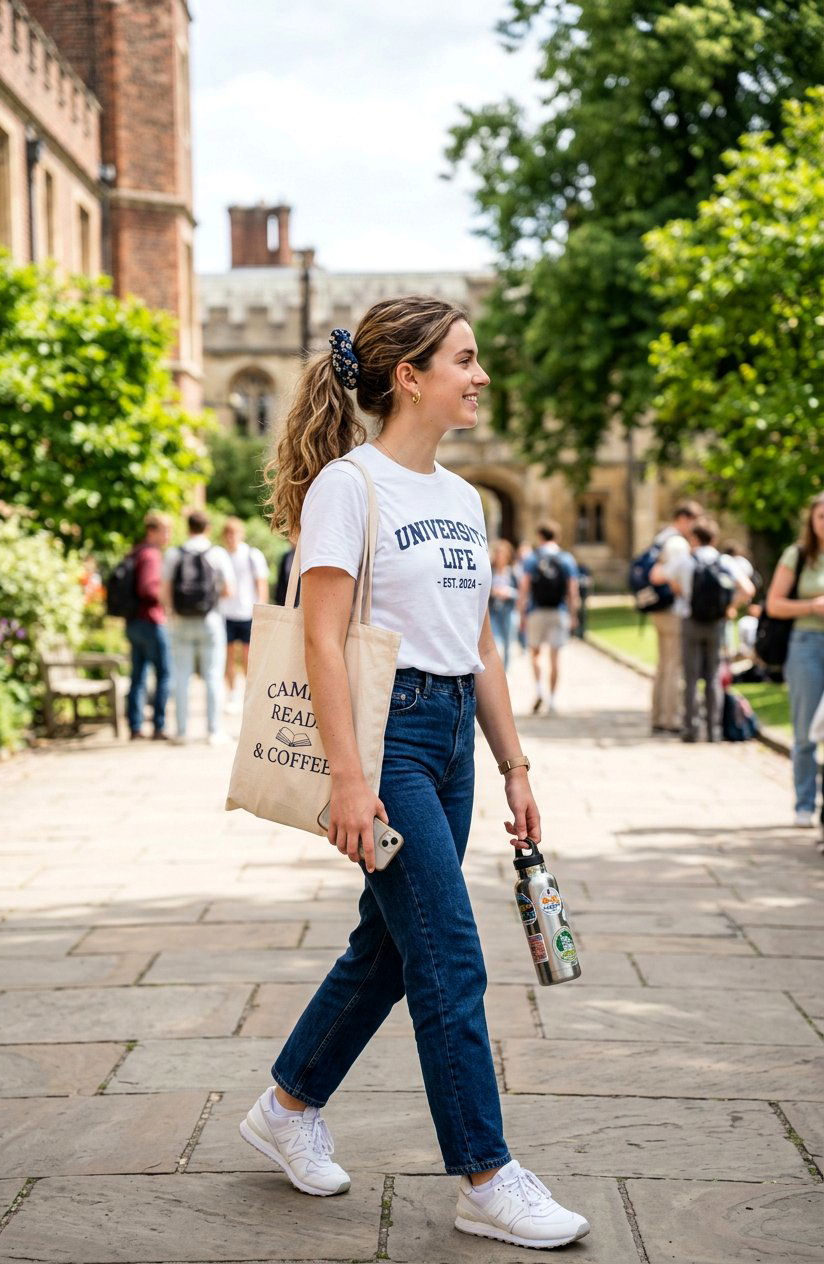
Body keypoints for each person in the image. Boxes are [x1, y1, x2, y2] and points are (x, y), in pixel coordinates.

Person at [239, 298, 590, 1250]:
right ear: (410, 375)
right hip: (383, 736)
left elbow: (479, 645)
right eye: (465, 360)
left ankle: (285, 1107)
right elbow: (320, 639)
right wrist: (348, 781)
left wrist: (514, 765)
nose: (480, 376)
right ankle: (485, 1175)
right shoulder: (350, 488)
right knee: (449, 955)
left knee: (391, 950)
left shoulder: (463, 498)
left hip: (449, 741)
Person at [663, 518, 754, 743]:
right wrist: (729, 607)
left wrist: (683, 593)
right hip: (716, 623)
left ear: (693, 538)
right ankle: (714, 730)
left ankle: (691, 729)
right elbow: (747, 589)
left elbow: (666, 578)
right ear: (714, 539)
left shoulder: (685, 560)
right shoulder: (724, 561)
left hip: (690, 620)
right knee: (713, 676)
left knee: (691, 677)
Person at [766, 492, 824, 828]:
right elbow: (774, 604)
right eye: (820, 517)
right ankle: (804, 801)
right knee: (805, 731)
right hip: (807, 643)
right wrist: (812, 606)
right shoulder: (799, 555)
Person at [162, 510, 235, 746]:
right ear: (208, 528)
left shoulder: (174, 554)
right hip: (210, 620)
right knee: (213, 675)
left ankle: (181, 732)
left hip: (181, 622)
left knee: (181, 676)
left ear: (188, 527)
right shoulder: (217, 554)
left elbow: (164, 591)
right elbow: (229, 589)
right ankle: (214, 732)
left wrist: (173, 612)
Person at [646, 502, 702, 734]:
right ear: (683, 518)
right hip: (672, 610)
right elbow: (667, 576)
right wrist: (685, 590)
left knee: (663, 664)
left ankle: (658, 714)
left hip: (659, 609)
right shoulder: (677, 542)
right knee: (673, 665)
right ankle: (671, 717)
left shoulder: (662, 538)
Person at [518, 522, 579, 715]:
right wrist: (573, 614)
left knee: (535, 654)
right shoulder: (566, 559)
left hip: (536, 611)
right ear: (557, 537)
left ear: (540, 536)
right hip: (558, 611)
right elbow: (572, 590)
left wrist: (521, 614)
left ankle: (539, 689)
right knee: (555, 658)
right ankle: (552, 700)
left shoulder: (532, 558)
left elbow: (524, 589)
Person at [125, 512, 172, 741]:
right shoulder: (151, 555)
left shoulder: (136, 551)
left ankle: (135, 727)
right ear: (152, 531)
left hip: (133, 622)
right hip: (151, 621)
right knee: (164, 674)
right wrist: (166, 595)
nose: (168, 536)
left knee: (138, 676)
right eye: (166, 531)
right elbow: (148, 589)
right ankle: (158, 726)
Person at [220, 517, 269, 712]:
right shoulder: (221, 555)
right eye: (228, 533)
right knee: (228, 655)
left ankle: (249, 693)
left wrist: (261, 610)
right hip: (226, 613)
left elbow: (261, 583)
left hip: (248, 612)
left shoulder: (252, 555)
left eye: (235, 533)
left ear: (241, 534)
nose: (232, 537)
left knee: (249, 656)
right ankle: (232, 693)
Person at [488, 539, 519, 671]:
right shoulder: (490, 571)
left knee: (507, 641)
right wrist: (493, 591)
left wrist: (508, 592)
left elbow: (519, 592)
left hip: (507, 610)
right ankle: (495, 668)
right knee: (494, 641)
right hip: (493, 610)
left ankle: (505, 669)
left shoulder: (512, 572)